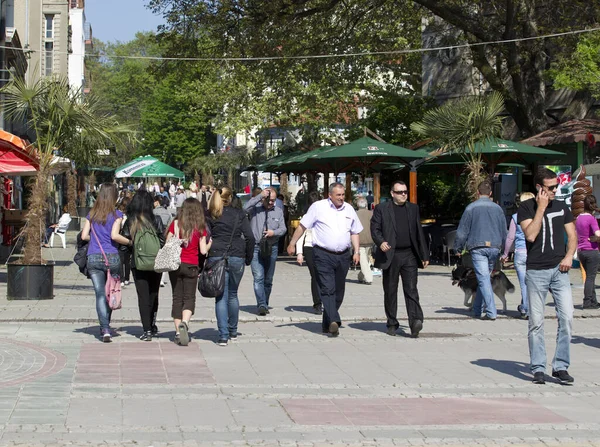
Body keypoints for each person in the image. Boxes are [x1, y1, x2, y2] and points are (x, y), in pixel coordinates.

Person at [518, 167, 576, 385]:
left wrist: (569, 256)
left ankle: (561, 366)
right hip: (536, 272)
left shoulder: (562, 207)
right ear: (539, 188)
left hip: (559, 270)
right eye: (551, 187)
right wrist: (541, 207)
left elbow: (572, 236)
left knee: (567, 317)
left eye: (556, 186)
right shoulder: (526, 207)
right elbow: (530, 235)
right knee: (536, 322)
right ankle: (538, 367)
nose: (555, 191)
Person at [287, 183, 362, 337]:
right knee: (327, 289)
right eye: (338, 195)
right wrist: (292, 243)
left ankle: (327, 322)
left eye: (343, 195)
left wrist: (356, 251)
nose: (341, 198)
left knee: (339, 292)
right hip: (322, 254)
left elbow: (354, 232)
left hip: (343, 256)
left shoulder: (349, 209)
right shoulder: (318, 207)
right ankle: (334, 320)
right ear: (330, 195)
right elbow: (302, 226)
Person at [371, 181, 430, 337]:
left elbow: (419, 232)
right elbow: (374, 228)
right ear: (392, 193)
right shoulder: (382, 209)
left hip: (409, 254)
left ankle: (415, 321)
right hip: (391, 255)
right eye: (399, 192)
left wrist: (424, 255)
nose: (403, 194)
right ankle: (392, 322)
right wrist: (381, 242)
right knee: (390, 291)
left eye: (405, 191)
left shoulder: (413, 208)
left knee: (411, 289)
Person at [81, 183, 132, 342]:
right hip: (112, 257)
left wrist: (96, 241)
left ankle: (105, 328)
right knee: (111, 291)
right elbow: (115, 236)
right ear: (114, 197)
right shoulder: (116, 214)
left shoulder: (92, 213)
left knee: (100, 294)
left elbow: (83, 236)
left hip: (94, 257)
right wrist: (129, 242)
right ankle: (106, 325)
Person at [206, 187, 255, 346]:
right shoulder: (239, 214)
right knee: (233, 294)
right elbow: (250, 237)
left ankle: (223, 335)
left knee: (220, 296)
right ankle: (233, 330)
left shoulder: (212, 214)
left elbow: (205, 237)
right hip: (236, 255)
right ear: (231, 197)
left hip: (216, 255)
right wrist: (248, 258)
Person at [454, 180, 507, 321]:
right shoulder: (498, 209)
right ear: (490, 193)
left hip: (477, 247)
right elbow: (504, 231)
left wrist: (458, 247)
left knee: (483, 279)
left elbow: (462, 231)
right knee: (484, 279)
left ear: (477, 193)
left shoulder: (471, 208)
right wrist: (505, 250)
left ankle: (491, 311)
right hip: (494, 247)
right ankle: (477, 310)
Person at [121, 190, 166, 341]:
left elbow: (123, 245)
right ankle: (152, 325)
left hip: (138, 263)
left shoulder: (131, 221)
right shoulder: (156, 219)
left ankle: (146, 330)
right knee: (154, 294)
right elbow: (162, 241)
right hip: (155, 261)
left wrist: (133, 248)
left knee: (143, 296)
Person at [167, 198, 208, 346]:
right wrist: (209, 245)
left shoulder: (176, 224)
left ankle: (178, 332)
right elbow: (203, 251)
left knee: (177, 297)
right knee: (189, 297)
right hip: (191, 265)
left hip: (175, 265)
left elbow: (167, 243)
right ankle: (185, 322)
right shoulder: (200, 227)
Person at [243, 188, 287, 315]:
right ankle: (261, 304)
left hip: (271, 247)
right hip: (256, 247)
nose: (271, 203)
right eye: (269, 200)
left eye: (273, 200)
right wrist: (259, 196)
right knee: (258, 277)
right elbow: (244, 208)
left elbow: (283, 228)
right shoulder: (255, 209)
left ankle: (265, 302)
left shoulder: (278, 211)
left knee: (268, 279)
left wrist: (274, 233)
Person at [501, 192, 536, 319]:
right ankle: (530, 307)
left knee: (524, 284)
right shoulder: (538, 217)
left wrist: (505, 254)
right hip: (534, 253)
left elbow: (510, 238)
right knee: (534, 283)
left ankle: (525, 309)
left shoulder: (516, 217)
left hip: (520, 253)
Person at [295, 191, 323, 314]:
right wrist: (299, 252)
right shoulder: (307, 216)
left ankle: (325, 300)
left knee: (323, 276)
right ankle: (317, 303)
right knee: (315, 276)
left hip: (323, 247)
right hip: (309, 247)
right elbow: (300, 235)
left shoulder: (325, 215)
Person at [575, 195, 600, 309]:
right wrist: (594, 239)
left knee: (590, 277)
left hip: (581, 251)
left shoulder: (579, 217)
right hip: (591, 251)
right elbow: (598, 234)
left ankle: (594, 301)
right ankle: (587, 302)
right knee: (591, 277)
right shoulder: (591, 218)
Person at [153, 195, 172, 288]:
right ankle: (162, 279)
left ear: (157, 202)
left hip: (154, 236)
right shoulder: (168, 213)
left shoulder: (153, 212)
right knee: (163, 257)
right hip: (164, 235)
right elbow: (170, 226)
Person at [356, 198, 374, 285]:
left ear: (357, 205)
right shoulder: (372, 214)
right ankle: (361, 277)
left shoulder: (355, 214)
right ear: (366, 205)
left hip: (359, 240)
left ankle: (368, 278)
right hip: (370, 240)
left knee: (364, 261)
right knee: (365, 260)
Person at [117, 198, 132, 287]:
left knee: (121, 260)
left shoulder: (118, 215)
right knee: (127, 261)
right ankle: (127, 278)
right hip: (129, 239)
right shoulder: (130, 215)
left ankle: (122, 279)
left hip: (120, 238)